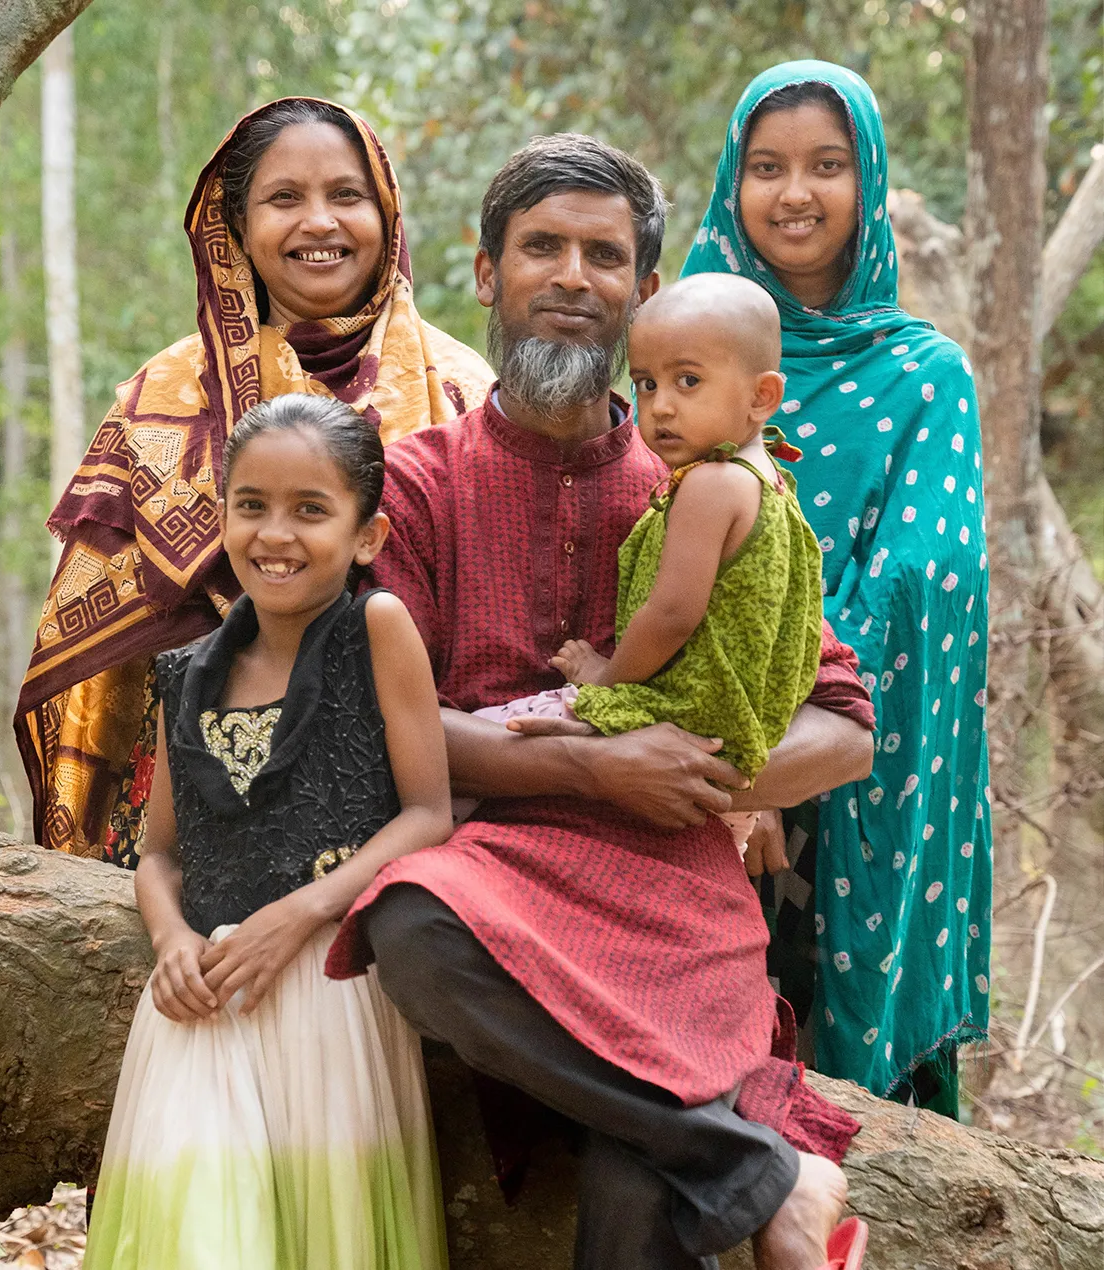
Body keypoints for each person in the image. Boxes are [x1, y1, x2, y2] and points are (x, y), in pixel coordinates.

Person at [325, 133, 875, 1270]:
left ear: (646, 292)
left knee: (638, 1174)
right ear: (487, 274)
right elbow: (384, 725)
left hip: (674, 886)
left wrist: (709, 766)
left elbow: (845, 729)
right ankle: (764, 1172)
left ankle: (719, 1159)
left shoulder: (719, 490)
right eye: (541, 248)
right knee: (408, 925)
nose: (573, 277)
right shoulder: (414, 484)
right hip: (493, 872)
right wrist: (593, 765)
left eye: (606, 256)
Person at [16, 98, 493, 864]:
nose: (320, 222)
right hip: (198, 806)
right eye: (284, 198)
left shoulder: (464, 391)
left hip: (425, 800)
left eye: (347, 195)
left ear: (387, 212)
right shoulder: (163, 395)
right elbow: (99, 657)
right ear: (237, 224)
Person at [682, 61, 992, 1117]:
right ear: (733, 183)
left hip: (848, 761)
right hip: (688, 758)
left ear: (870, 183)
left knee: (844, 1094)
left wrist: (777, 761)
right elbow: (649, 541)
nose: (795, 193)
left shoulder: (926, 374)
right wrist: (731, 769)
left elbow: (922, 578)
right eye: (766, 167)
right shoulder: (686, 350)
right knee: (692, 1058)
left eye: (827, 165)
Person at [83, 394, 452, 1270]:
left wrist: (303, 911)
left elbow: (427, 814)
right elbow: (159, 853)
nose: (275, 534)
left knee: (321, 1235)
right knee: (199, 1238)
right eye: (251, 505)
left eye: (310, 510)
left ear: (367, 535)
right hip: (203, 1004)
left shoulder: (376, 629)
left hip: (329, 996)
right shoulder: (184, 672)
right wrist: (171, 940)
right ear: (223, 517)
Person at [465, 273, 823, 859]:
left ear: (762, 396)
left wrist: (606, 678)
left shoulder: (711, 485)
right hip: (733, 748)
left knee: (487, 737)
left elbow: (672, 614)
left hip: (673, 718)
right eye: (646, 384)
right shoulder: (774, 485)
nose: (660, 407)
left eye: (689, 381)